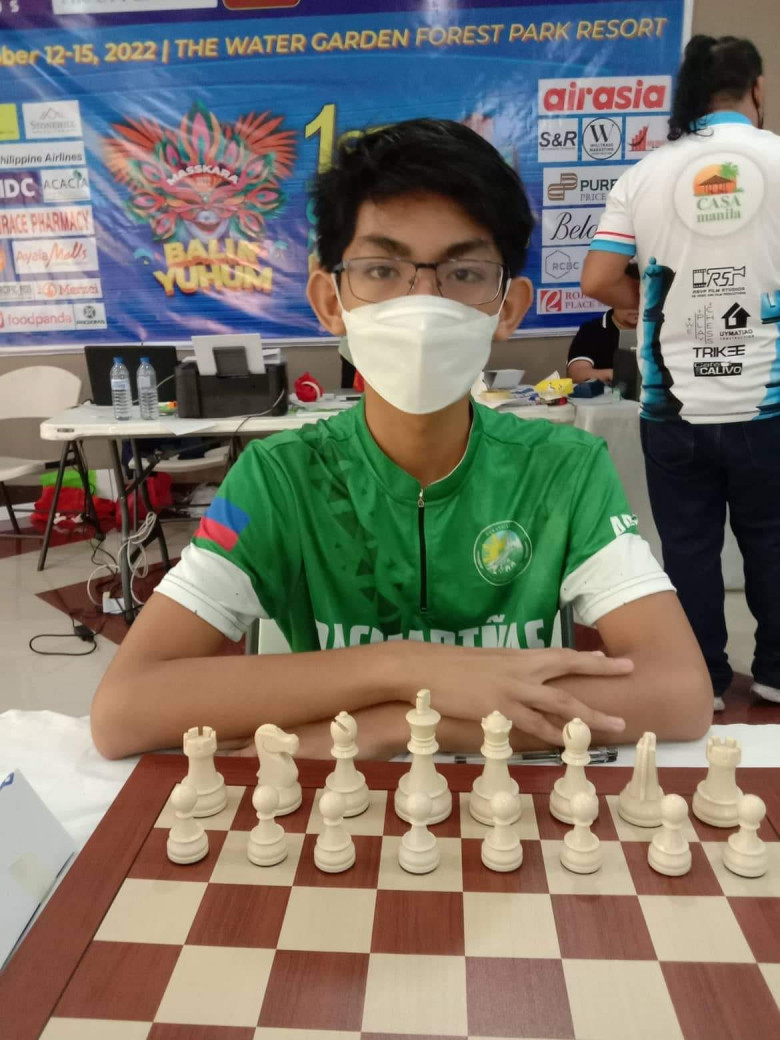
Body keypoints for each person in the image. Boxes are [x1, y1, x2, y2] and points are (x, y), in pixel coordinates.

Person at [91, 118, 711, 760]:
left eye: (463, 273)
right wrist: (402, 667)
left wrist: (395, 725)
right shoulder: (278, 478)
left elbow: (678, 692)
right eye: (382, 269)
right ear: (330, 301)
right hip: (341, 805)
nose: (423, 303)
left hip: (510, 801)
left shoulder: (564, 470)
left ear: (508, 307)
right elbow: (124, 709)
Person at [582, 36, 780, 712]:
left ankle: (705, 680)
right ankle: (777, 672)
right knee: (772, 541)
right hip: (769, 404)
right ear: (756, 90)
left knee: (688, 548)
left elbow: (597, 277)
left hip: (673, 407)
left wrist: (637, 300)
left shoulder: (646, 174)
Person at [567, 307, 638, 384]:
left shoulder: (648, 330)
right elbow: (577, 374)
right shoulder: (591, 329)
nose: (636, 307)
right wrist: (614, 375)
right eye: (630, 303)